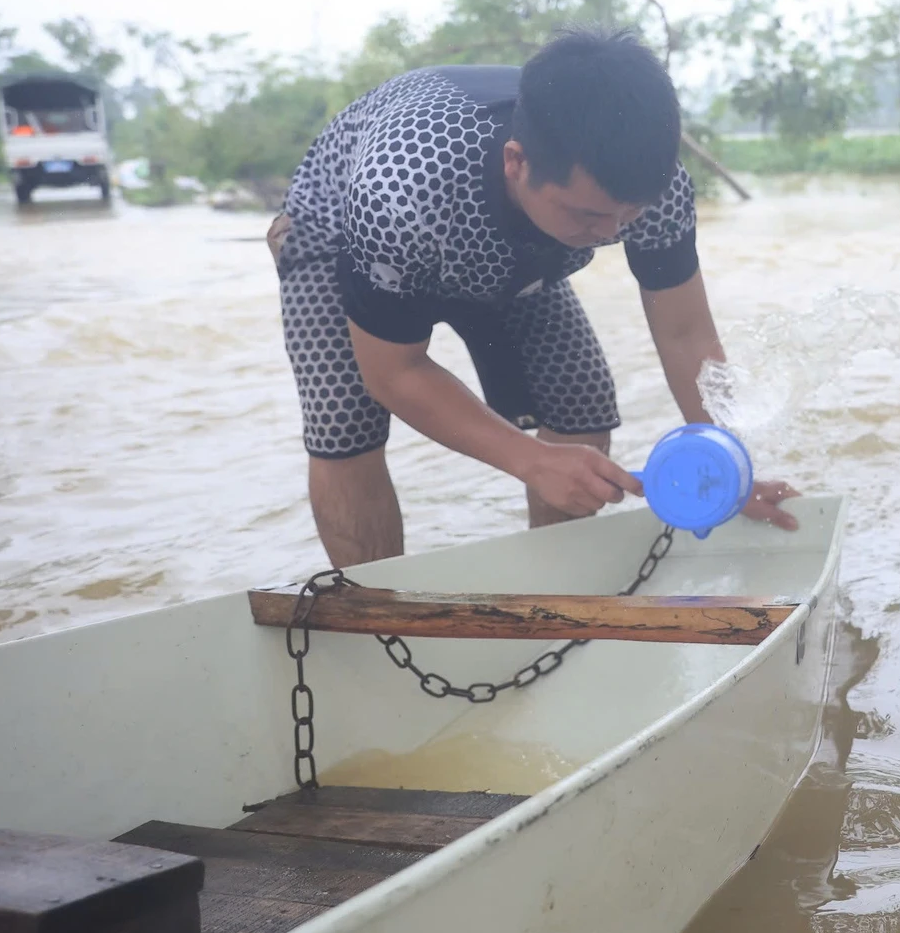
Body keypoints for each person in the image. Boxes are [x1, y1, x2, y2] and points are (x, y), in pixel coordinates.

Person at [267, 29, 797, 567]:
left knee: (581, 402)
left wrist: (728, 464)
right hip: (340, 236)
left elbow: (686, 333)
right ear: (516, 162)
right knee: (345, 424)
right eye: (589, 215)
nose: (610, 231)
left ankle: (554, 587)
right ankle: (372, 609)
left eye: (627, 215)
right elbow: (394, 372)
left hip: (509, 251)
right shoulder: (397, 193)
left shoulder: (651, 194)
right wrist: (529, 459)